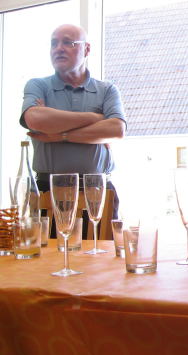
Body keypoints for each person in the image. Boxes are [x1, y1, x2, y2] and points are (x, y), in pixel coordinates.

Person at [20, 23, 126, 234]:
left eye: (68, 42)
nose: (58, 48)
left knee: (101, 254)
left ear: (86, 49)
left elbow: (116, 129)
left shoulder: (107, 89)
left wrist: (60, 134)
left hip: (98, 191)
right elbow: (34, 119)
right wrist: (95, 118)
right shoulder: (37, 85)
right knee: (50, 255)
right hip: (47, 192)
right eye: (54, 43)